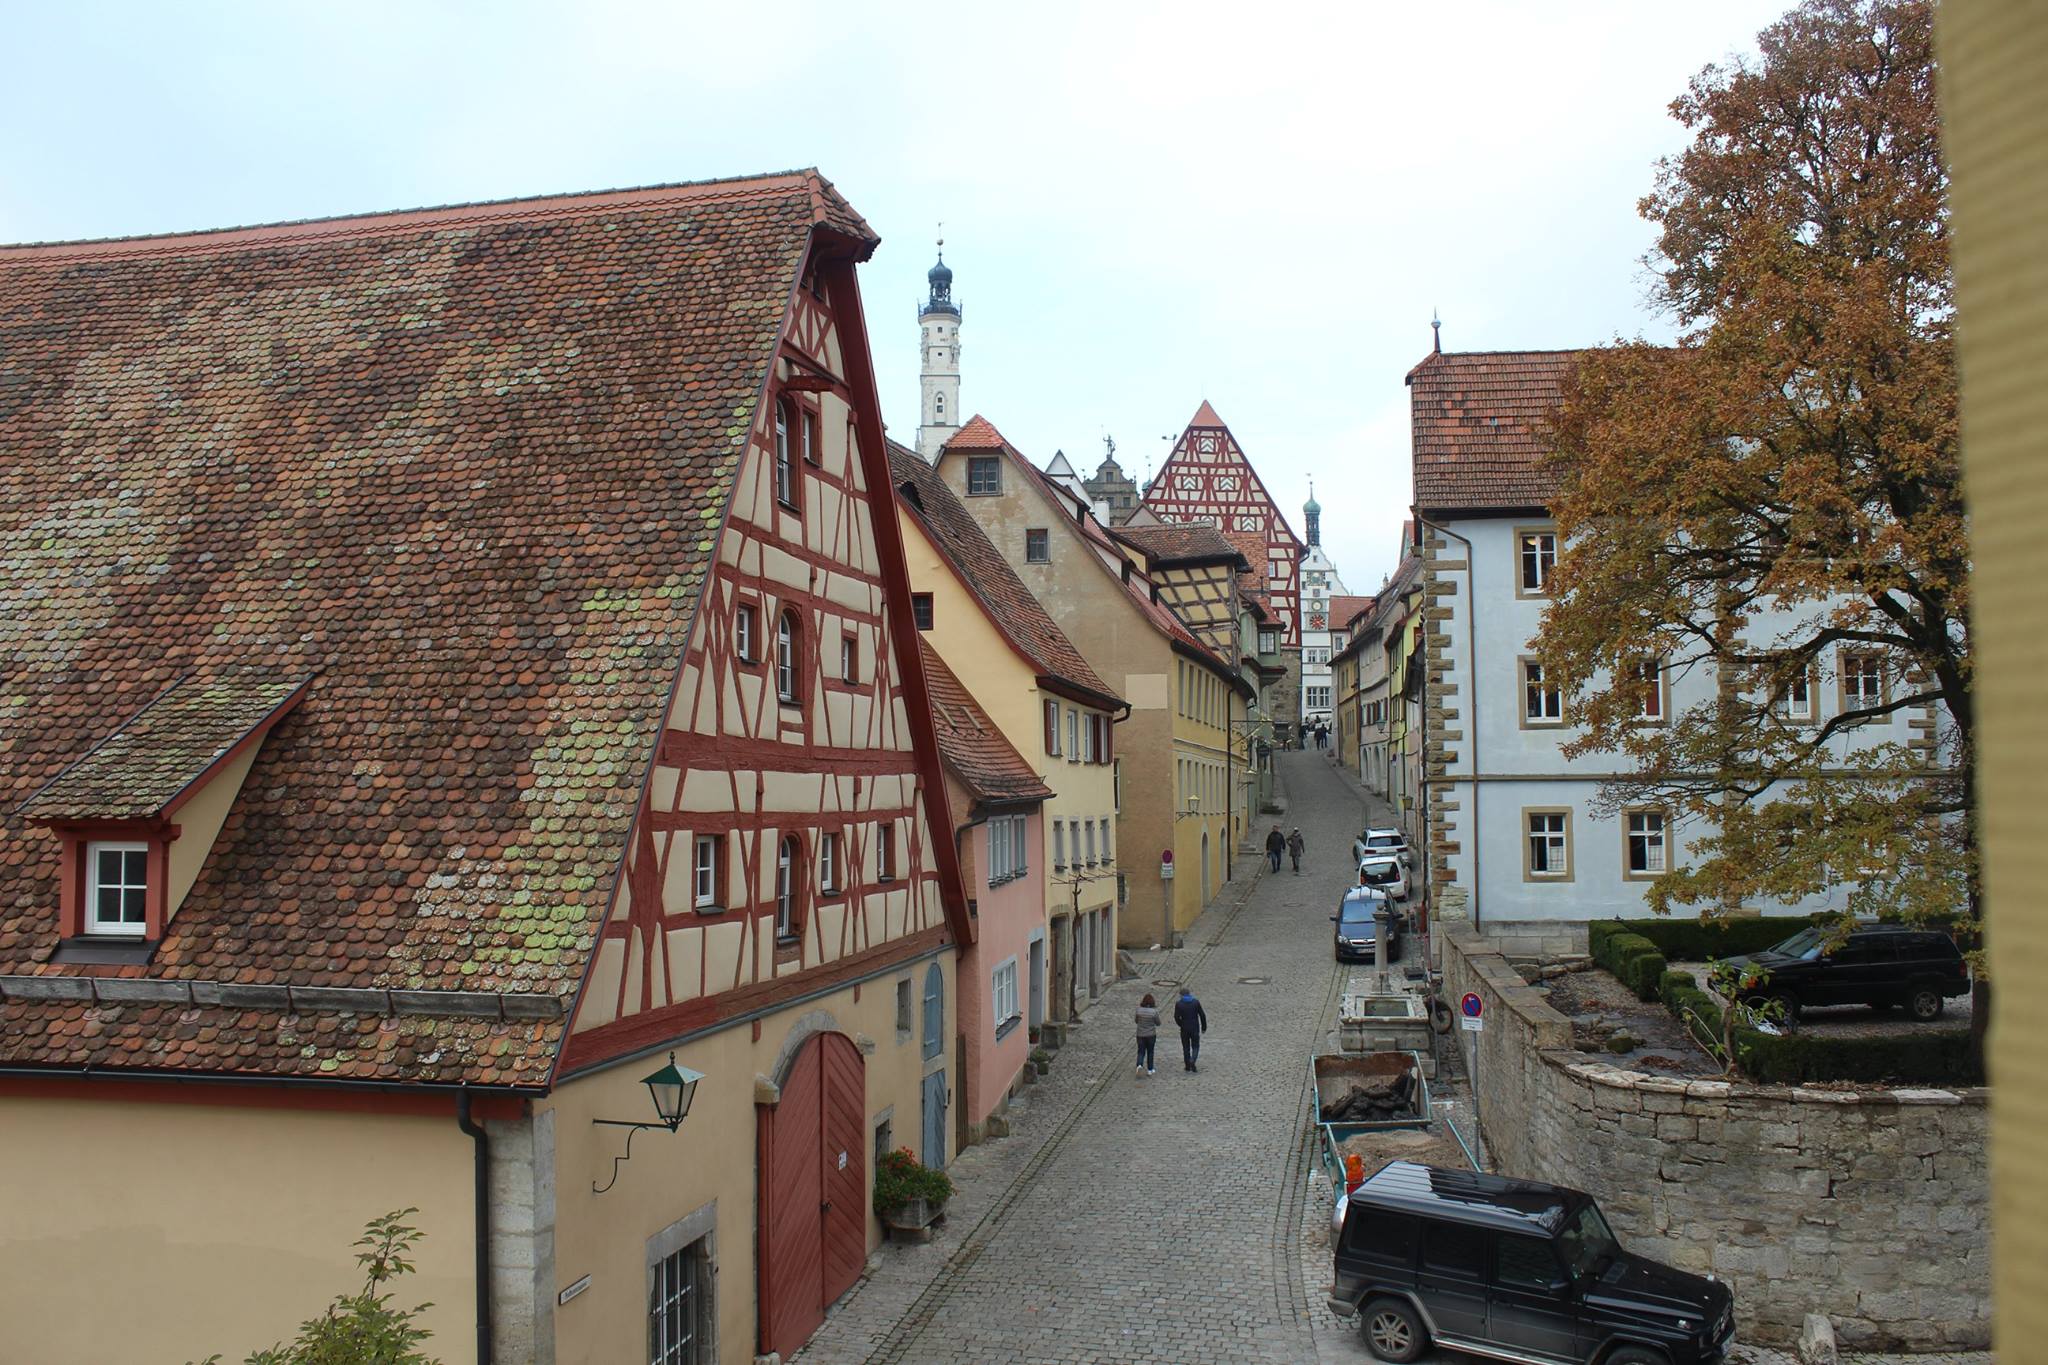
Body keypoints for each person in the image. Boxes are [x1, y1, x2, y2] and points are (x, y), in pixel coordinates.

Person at [1173, 987, 1209, 1072]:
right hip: (1194, 1027)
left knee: (1186, 1047)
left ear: (1181, 995)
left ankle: (1187, 1065)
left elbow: (1176, 1017)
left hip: (1184, 1028)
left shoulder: (1179, 1004)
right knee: (1195, 1046)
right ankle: (1192, 1060)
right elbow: (1202, 1015)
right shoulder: (1195, 1002)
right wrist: (1204, 1027)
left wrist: (1181, 1024)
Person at [1134, 994, 1160, 1076]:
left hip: (1140, 1034)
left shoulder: (1138, 1010)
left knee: (1141, 1051)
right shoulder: (1154, 1012)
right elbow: (1158, 1023)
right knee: (1150, 1051)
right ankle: (1150, 1069)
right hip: (1151, 1035)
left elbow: (1136, 1021)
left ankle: (1139, 1065)